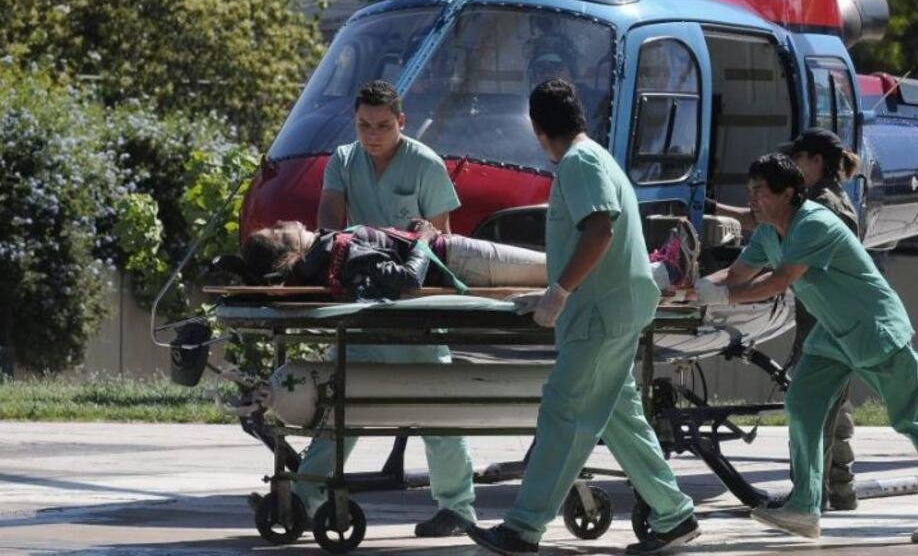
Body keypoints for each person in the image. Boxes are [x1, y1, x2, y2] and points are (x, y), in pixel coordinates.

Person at [466, 79, 699, 556]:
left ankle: (523, 528)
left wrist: (561, 291)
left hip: (599, 315)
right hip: (608, 309)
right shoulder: (596, 157)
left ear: (537, 128)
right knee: (618, 418)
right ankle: (675, 515)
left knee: (563, 412)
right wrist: (556, 291)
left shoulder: (579, 163)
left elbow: (599, 232)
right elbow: (593, 239)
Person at [694, 153, 918, 543]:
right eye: (749, 192)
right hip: (832, 334)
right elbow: (737, 274)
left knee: (912, 418)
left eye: (759, 192)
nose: (752, 200)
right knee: (803, 405)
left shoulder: (813, 223)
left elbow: (779, 281)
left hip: (874, 329)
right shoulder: (767, 232)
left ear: (788, 193)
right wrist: (692, 289)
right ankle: (805, 506)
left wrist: (723, 298)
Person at [302, 80, 475, 538]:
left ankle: (458, 506)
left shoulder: (425, 163)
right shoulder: (342, 160)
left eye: (382, 125)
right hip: (362, 307)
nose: (371, 134)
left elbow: (439, 244)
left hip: (412, 309)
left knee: (435, 406)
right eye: (363, 125)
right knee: (343, 402)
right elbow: (328, 227)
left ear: (401, 122)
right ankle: (304, 497)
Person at [711, 129, 861, 511]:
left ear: (815, 160)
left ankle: (809, 497)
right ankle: (838, 491)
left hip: (829, 322)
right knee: (832, 409)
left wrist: (727, 293)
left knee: (812, 408)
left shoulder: (820, 206)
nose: (793, 165)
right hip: (836, 319)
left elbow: (781, 276)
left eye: (798, 157)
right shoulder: (828, 199)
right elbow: (763, 225)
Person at [241, 219, 697, 297]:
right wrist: (422, 238)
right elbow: (407, 279)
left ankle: (650, 265)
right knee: (561, 266)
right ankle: (660, 272)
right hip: (455, 257)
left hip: (455, 259)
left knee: (559, 265)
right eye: (282, 230)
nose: (288, 221)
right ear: (288, 250)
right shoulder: (331, 248)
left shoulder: (326, 256)